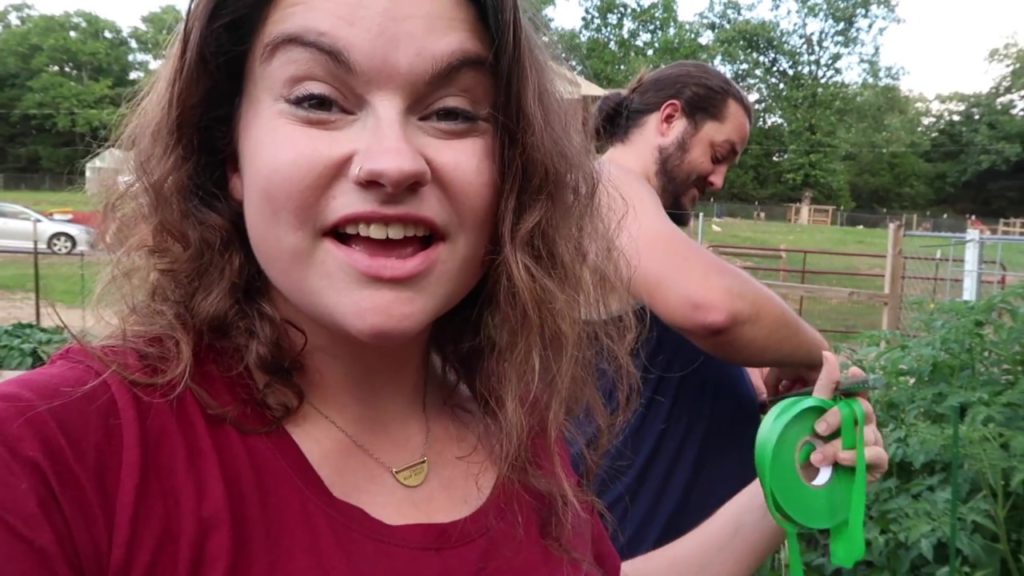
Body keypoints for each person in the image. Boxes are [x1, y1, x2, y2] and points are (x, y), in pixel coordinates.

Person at [0, 2, 886, 575]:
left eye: (453, 112)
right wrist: (822, 354)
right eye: (318, 99)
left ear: (510, 170)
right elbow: (713, 308)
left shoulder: (516, 436)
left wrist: (784, 491)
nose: (392, 162)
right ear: (227, 148)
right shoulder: (52, 459)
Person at [588, 60, 885, 567]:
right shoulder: (604, 185)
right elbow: (714, 308)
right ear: (670, 119)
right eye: (718, 154)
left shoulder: (641, 237)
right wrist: (816, 357)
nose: (720, 180)